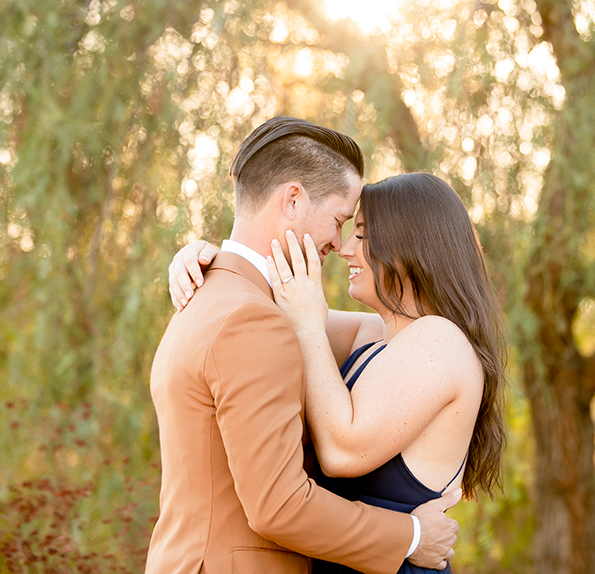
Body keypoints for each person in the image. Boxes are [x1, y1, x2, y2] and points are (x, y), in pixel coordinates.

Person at [146, 117, 460, 574]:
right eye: (338, 220)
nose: (339, 242)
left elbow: (390, 332)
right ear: (292, 199)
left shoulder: (208, 297)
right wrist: (412, 537)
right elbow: (278, 505)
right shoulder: (252, 321)